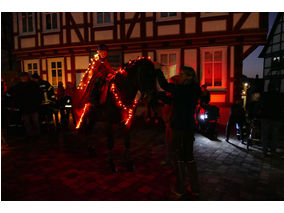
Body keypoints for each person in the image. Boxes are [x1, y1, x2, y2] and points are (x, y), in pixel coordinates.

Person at [155, 64, 201, 198]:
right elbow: (175, 100)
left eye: (182, 75)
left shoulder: (182, 89)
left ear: (189, 77)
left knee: (180, 158)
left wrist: (158, 70)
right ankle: (195, 188)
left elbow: (165, 85)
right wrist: (158, 96)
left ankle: (180, 188)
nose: (179, 77)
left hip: (179, 127)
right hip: (189, 127)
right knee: (190, 157)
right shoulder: (194, 89)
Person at [13, 72, 41, 139]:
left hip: (33, 107)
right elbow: (16, 96)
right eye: (22, 77)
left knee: (35, 122)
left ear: (27, 77)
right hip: (24, 108)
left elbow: (39, 94)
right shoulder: (18, 86)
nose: (23, 78)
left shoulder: (33, 84)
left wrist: (38, 103)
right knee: (27, 123)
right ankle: (30, 135)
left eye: (24, 76)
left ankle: (37, 134)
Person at [260, 81, 284, 156]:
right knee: (274, 135)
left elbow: (260, 105)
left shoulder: (264, 95)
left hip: (265, 117)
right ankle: (273, 151)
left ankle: (264, 150)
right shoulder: (280, 96)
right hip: (276, 118)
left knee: (265, 134)